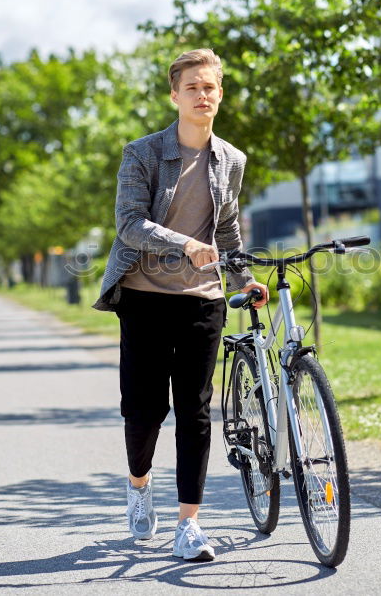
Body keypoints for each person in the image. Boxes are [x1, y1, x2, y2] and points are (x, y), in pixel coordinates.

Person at [93, 48, 269, 561]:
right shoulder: (143, 153)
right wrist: (184, 244)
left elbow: (229, 227)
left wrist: (245, 278)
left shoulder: (231, 159)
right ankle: (139, 485)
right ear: (175, 95)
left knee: (194, 412)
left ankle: (188, 525)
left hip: (203, 298)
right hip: (146, 297)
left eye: (210, 87)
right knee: (145, 411)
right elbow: (128, 223)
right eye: (191, 87)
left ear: (220, 95)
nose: (201, 95)